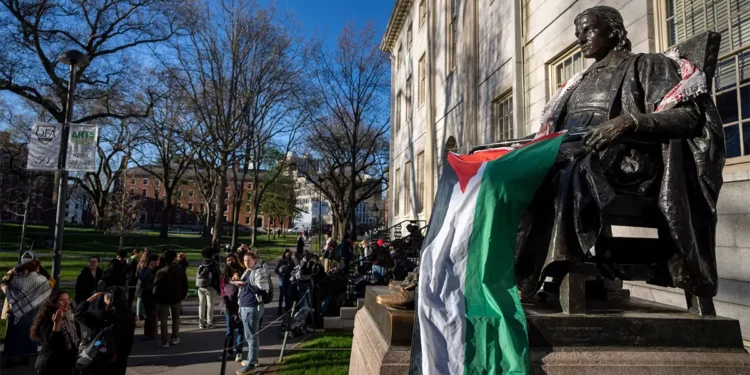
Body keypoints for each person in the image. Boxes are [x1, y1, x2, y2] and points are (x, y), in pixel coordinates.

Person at [514, 6, 724, 301]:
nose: (580, 39)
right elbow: (551, 135)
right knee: (515, 170)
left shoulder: (647, 64)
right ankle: (517, 274)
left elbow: (689, 116)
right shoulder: (576, 83)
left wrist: (629, 121)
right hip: (575, 153)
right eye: (577, 33)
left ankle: (546, 269)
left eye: (588, 30)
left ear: (613, 31)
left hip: (628, 162)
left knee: (564, 171)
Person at [2, 258, 55, 369]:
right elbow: (51, 284)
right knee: (28, 335)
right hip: (32, 311)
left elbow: (4, 284)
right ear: (36, 268)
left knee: (13, 336)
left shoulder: (16, 278)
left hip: (16, 311)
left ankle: (10, 358)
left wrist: (11, 272)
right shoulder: (40, 280)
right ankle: (25, 357)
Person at [75, 287, 136, 375]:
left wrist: (89, 299)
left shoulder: (102, 315)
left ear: (108, 300)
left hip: (102, 356)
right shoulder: (130, 316)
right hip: (120, 356)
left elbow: (78, 315)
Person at [235, 251, 270, 375]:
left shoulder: (259, 271)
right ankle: (253, 359)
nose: (246, 262)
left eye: (249, 260)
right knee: (249, 336)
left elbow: (263, 290)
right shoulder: (248, 271)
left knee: (251, 336)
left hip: (252, 307)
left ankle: (251, 363)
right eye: (244, 260)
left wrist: (244, 285)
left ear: (255, 260)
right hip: (245, 306)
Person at [30, 290, 78, 375]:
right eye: (62, 300)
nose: (67, 302)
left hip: (67, 362)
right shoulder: (47, 320)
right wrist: (57, 323)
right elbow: (52, 344)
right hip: (50, 363)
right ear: (53, 303)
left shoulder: (69, 318)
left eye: (68, 299)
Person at [153, 249, 188, 348]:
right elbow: (185, 285)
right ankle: (175, 336)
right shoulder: (180, 270)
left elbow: (156, 287)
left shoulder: (161, 271)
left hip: (164, 298)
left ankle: (164, 339)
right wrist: (181, 296)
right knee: (176, 318)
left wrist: (157, 297)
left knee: (163, 320)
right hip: (176, 297)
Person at [220, 253, 245, 362]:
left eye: (232, 259)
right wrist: (224, 297)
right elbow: (221, 288)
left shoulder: (242, 272)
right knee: (229, 330)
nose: (230, 262)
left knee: (239, 328)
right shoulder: (224, 274)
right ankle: (229, 351)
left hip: (239, 304)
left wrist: (238, 279)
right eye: (228, 260)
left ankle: (238, 351)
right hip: (228, 304)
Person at [196, 246, 220, 329]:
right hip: (210, 287)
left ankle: (201, 323)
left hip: (201, 287)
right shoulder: (214, 265)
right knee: (210, 305)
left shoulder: (201, 265)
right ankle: (209, 322)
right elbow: (217, 277)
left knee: (201, 305)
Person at [138, 254, 159, 340]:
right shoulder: (145, 268)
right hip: (147, 292)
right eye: (157, 260)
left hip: (154, 293)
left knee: (153, 314)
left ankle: (152, 332)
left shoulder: (158, 269)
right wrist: (149, 269)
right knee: (150, 313)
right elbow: (141, 277)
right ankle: (149, 333)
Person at [274, 250, 294, 315]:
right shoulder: (280, 261)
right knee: (282, 294)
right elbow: (276, 270)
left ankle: (287, 309)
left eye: (290, 254)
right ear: (285, 253)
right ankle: (279, 309)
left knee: (288, 295)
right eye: (288, 254)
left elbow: (294, 269)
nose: (289, 255)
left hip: (289, 279)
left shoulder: (291, 261)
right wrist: (281, 274)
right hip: (282, 279)